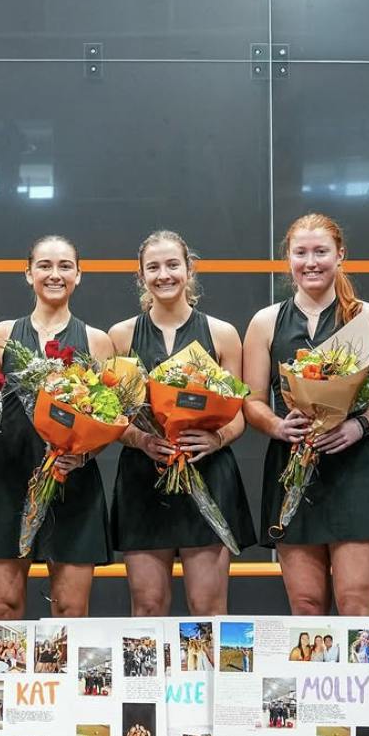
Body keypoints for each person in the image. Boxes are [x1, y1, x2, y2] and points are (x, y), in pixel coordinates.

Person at [243, 213, 369, 616]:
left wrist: (358, 425)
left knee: (357, 605)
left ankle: (365, 681)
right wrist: (279, 426)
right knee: (307, 607)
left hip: (358, 472)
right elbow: (251, 403)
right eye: (301, 253)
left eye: (321, 252)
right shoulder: (266, 322)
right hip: (294, 469)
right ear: (288, 259)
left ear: (340, 255)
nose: (311, 262)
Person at [109, 230, 256, 616]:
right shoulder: (120, 337)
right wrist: (141, 440)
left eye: (173, 264)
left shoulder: (223, 334)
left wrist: (216, 440)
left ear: (189, 270)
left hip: (207, 473)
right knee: (147, 607)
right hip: (145, 479)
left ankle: (212, 681)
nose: (164, 274)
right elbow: (112, 418)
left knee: (207, 607)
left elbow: (239, 413)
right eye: (153, 267)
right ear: (141, 276)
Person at [0, 236, 112, 618]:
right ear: (28, 273)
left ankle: (64, 680)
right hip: (8, 478)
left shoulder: (97, 342)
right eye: (45, 266)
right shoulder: (1, 334)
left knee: (70, 610)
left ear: (79, 275)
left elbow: (111, 418)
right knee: (4, 608)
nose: (55, 274)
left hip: (73, 484)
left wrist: (84, 454)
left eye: (65, 266)